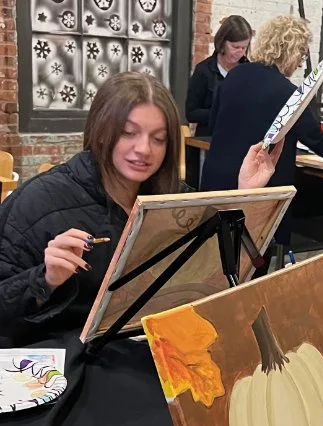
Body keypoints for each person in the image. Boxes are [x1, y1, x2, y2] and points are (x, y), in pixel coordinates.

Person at [0, 72, 282, 347]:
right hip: (70, 364)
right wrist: (44, 280)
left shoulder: (175, 200)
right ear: (101, 133)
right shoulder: (39, 202)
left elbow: (233, 277)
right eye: (128, 133)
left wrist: (249, 197)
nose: (144, 149)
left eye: (158, 139)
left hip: (154, 350)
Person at [200, 15, 323, 245]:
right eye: (301, 55)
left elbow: (213, 123)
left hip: (215, 180)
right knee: (252, 259)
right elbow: (319, 143)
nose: (300, 63)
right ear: (289, 51)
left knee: (212, 254)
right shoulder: (289, 95)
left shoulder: (234, 76)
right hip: (256, 189)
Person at [185, 15, 253, 137]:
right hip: (208, 140)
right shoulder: (203, 71)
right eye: (235, 47)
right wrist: (220, 113)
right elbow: (191, 113)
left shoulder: (249, 71)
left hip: (240, 139)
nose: (240, 52)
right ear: (222, 42)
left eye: (244, 47)